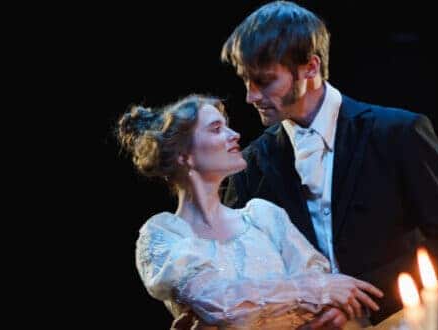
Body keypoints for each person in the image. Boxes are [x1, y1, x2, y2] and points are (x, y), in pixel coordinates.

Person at [221, 2, 438, 329]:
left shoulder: (398, 133)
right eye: (246, 80)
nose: (250, 96)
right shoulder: (252, 163)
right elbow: (237, 269)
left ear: (310, 68)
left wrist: (358, 301)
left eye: (264, 81)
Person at [117, 94, 384, 329]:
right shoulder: (163, 235)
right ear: (183, 155)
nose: (234, 135)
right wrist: (316, 290)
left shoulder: (263, 216)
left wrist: (318, 292)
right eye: (216, 128)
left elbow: (317, 278)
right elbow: (221, 304)